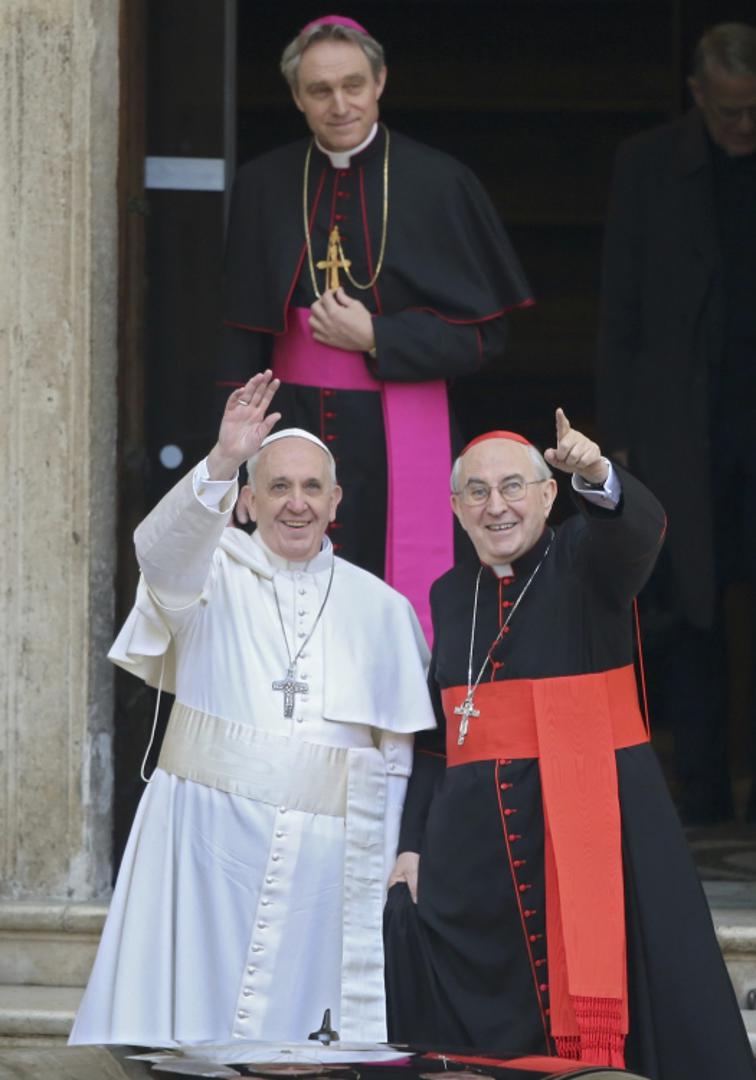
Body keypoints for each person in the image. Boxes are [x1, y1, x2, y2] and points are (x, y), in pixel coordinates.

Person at [383, 412, 754, 1079]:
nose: (496, 506)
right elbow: (438, 741)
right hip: (480, 862)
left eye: (513, 487)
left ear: (549, 494)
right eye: (477, 492)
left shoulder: (586, 559)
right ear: (456, 507)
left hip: (599, 832)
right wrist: (411, 845)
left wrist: (598, 475)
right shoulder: (448, 594)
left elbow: (637, 533)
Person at [69, 371, 436, 1047]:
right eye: (278, 486)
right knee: (195, 1033)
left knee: (307, 1046)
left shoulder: (382, 609)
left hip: (327, 875)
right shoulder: (207, 572)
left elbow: (398, 759)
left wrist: (390, 858)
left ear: (335, 501)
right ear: (247, 500)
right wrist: (222, 459)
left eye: (312, 488)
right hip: (204, 852)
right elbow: (159, 554)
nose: (296, 504)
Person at [219, 14, 533, 640]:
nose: (340, 105)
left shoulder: (440, 182)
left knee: (391, 611)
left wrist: (377, 338)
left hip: (396, 442)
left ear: (381, 81)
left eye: (354, 85)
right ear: (297, 96)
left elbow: (485, 336)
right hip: (291, 423)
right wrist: (230, 456)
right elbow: (237, 334)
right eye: (320, 90)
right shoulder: (262, 184)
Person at [597, 22, 756, 823]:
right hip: (681, 424)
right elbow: (619, 307)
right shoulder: (647, 163)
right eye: (730, 112)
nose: (745, 126)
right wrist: (618, 434)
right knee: (690, 603)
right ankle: (700, 785)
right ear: (697, 94)